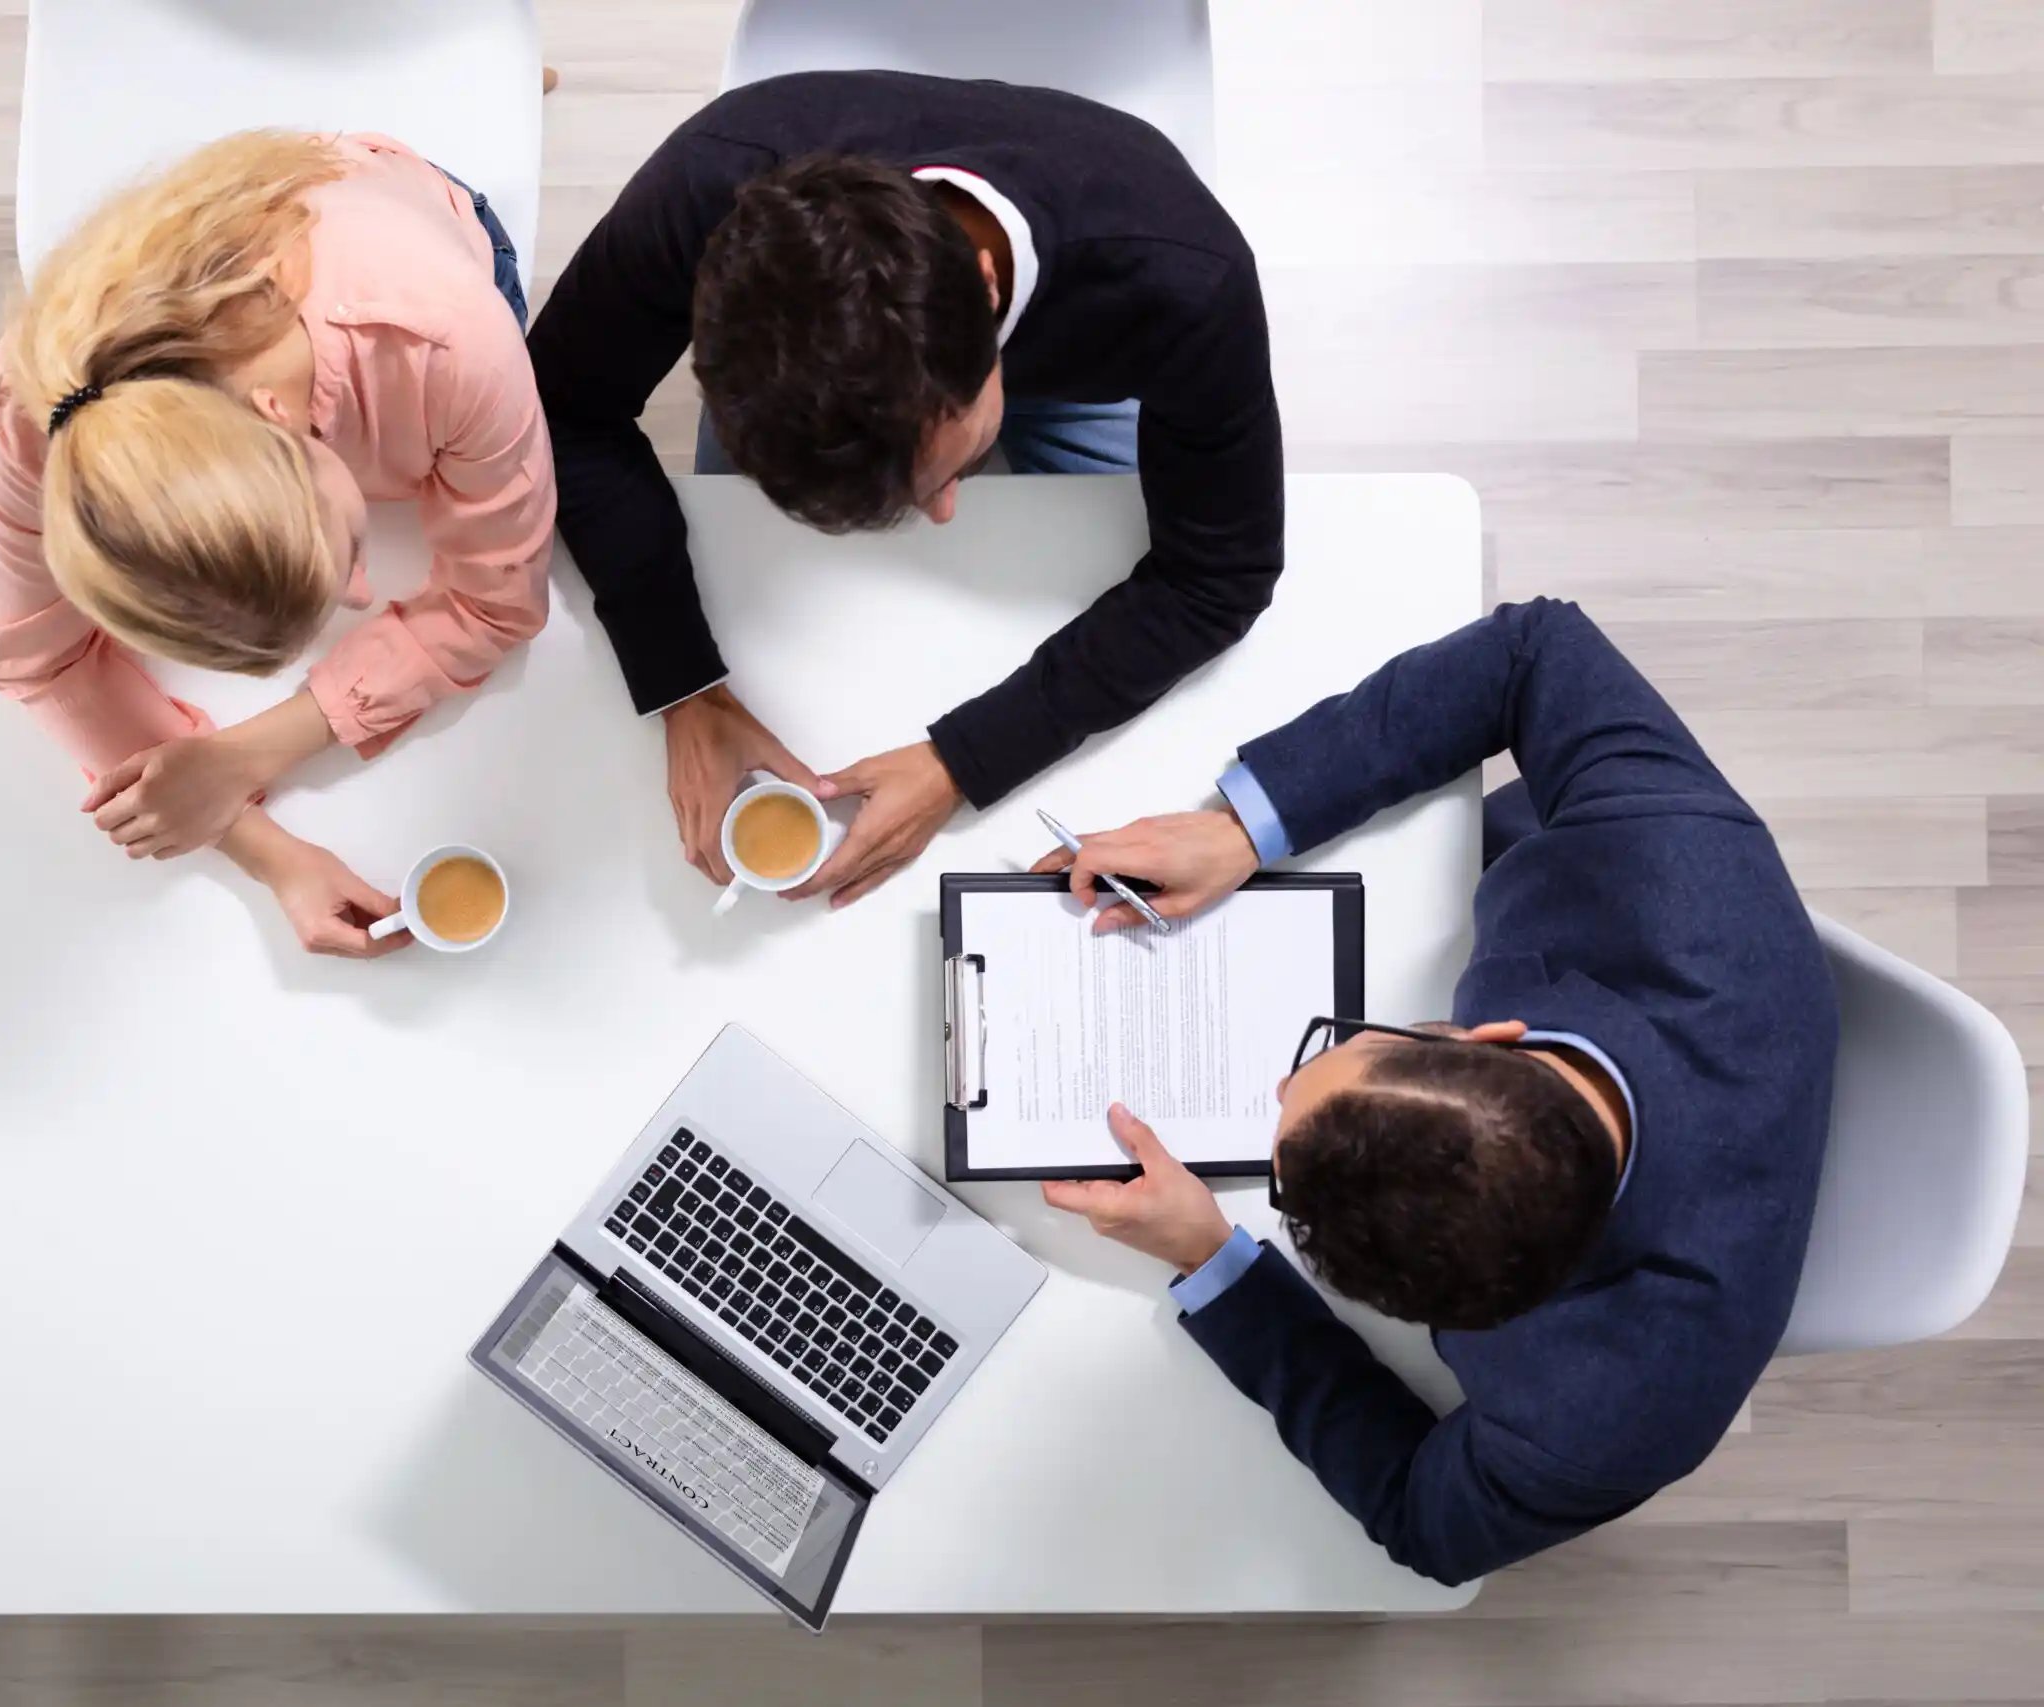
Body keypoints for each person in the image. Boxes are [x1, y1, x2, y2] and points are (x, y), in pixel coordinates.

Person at [1031, 598, 1838, 1584]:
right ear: (1495, 1035)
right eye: (1330, 1053)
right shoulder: (1680, 871)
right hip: (1585, 894)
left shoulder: (1603, 1423)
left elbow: (1422, 1519)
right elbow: (1537, 648)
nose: (1281, 1082)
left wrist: (1211, 1258)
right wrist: (1243, 827)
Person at [528, 71, 1283, 907]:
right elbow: (561, 408)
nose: (947, 514)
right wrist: (681, 681)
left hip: (1094, 344)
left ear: (986, 285)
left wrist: (962, 760)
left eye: (948, 470)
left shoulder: (1184, 281)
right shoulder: (709, 186)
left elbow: (1220, 575)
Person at [0, 130, 553, 958]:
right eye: (359, 554)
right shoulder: (35, 409)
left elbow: (495, 602)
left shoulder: (452, 343)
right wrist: (270, 853)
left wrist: (241, 755)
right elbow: (38, 659)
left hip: (427, 237)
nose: (365, 593)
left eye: (349, 547)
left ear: (284, 423)